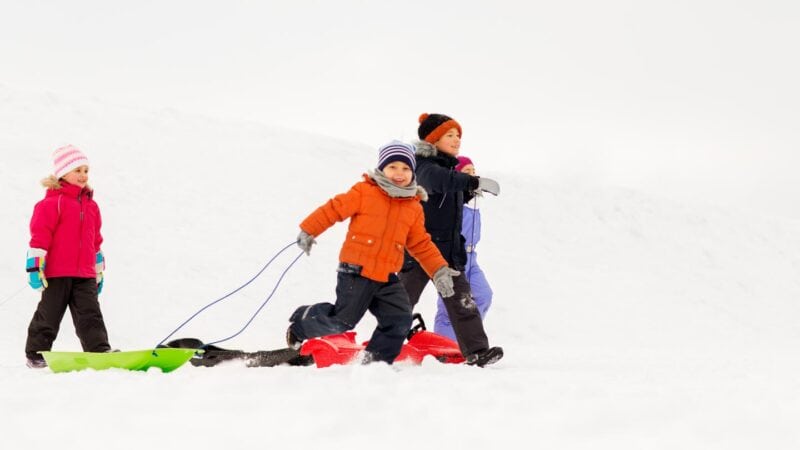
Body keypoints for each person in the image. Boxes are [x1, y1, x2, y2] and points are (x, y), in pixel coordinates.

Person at [285, 140, 458, 364]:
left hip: (386, 277)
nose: (399, 173)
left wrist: (439, 270)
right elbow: (334, 208)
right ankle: (302, 323)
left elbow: (420, 243)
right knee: (343, 321)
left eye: (405, 168)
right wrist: (310, 229)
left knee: (399, 320)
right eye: (393, 167)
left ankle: (375, 362)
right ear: (382, 168)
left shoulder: (413, 207)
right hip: (356, 271)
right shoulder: (365, 192)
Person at [398, 113, 503, 367]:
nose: (456, 140)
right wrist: (471, 180)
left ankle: (477, 351)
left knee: (463, 302)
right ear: (433, 139)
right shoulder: (422, 165)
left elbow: (446, 201)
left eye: (458, 136)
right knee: (401, 302)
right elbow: (436, 182)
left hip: (448, 251)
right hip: (422, 250)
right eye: (450, 135)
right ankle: (381, 346)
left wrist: (467, 192)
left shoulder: (447, 168)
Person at [25, 145, 112, 368]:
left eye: (86, 170)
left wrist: (98, 271)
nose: (83, 175)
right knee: (49, 314)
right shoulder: (51, 204)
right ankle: (36, 353)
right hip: (57, 272)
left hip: (85, 274)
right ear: (63, 173)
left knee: (91, 314)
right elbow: (39, 238)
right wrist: (35, 267)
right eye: (78, 170)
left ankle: (99, 351)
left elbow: (96, 241)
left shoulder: (92, 206)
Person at [433, 155, 493, 341]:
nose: (472, 176)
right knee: (450, 304)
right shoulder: (452, 200)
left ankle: (465, 338)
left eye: (473, 172)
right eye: (467, 172)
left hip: (471, 258)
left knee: (483, 295)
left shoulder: (474, 202)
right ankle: (445, 344)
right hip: (453, 257)